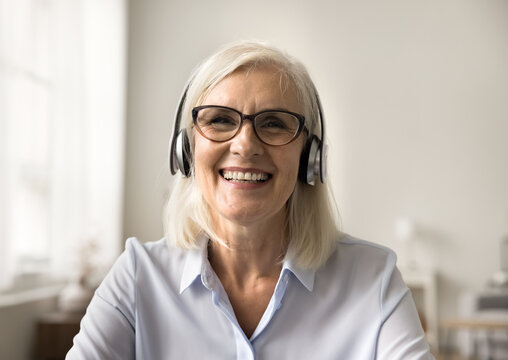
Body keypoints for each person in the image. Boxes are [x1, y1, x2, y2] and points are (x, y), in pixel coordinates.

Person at [66, 41, 433, 359]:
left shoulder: (373, 279)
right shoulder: (137, 277)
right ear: (186, 150)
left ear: (310, 158)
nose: (245, 144)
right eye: (221, 120)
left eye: (274, 123)